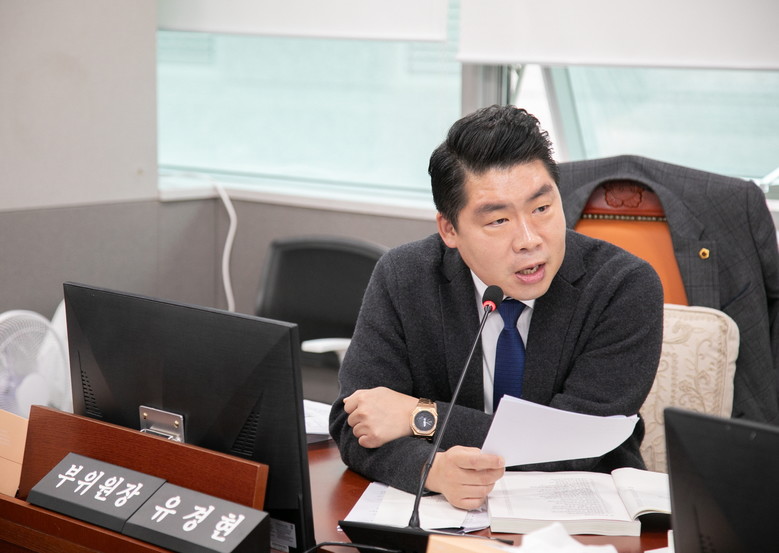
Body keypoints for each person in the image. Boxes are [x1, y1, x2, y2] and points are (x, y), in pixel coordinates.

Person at [329, 105, 664, 510]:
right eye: (498, 221)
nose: (529, 240)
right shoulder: (404, 277)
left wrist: (420, 416)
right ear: (450, 229)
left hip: (585, 515)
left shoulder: (623, 286)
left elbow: (574, 444)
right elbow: (355, 422)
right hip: (448, 514)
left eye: (542, 209)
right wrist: (430, 469)